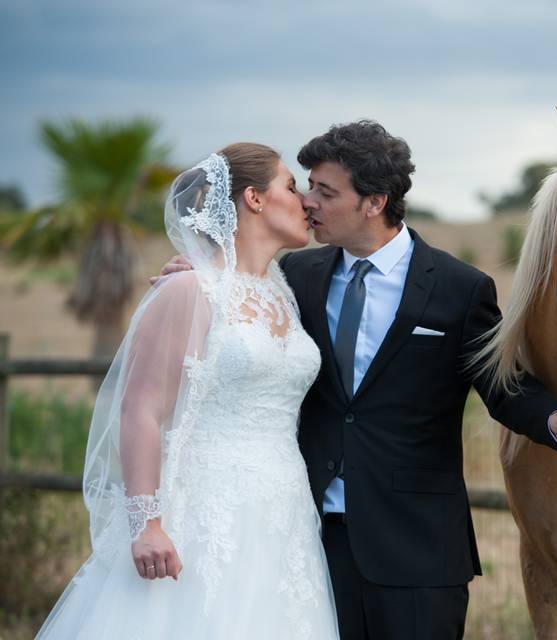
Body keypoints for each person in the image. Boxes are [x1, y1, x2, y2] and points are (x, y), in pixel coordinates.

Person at [156, 121, 557, 640]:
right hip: (305, 538)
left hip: (418, 549)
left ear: (373, 201)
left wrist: (551, 419)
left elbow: (502, 386)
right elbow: (236, 297)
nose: (308, 203)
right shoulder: (296, 277)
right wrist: (203, 271)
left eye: (325, 191)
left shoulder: (459, 288)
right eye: (307, 187)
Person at [37, 144, 339, 639]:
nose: (306, 200)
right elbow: (141, 409)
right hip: (204, 510)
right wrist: (147, 523)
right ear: (254, 199)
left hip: (284, 515)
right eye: (291, 185)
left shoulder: (283, 292)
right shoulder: (190, 289)